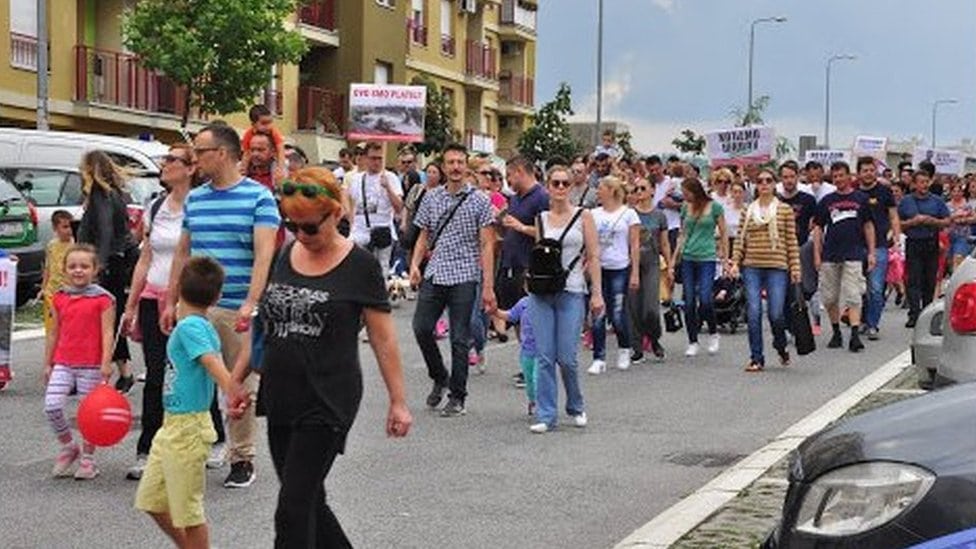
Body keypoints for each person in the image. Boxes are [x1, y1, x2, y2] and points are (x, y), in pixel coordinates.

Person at [231, 167, 411, 548]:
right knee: (310, 500)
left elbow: (383, 340)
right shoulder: (285, 253)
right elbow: (266, 323)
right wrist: (236, 379)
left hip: (328, 399)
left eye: (310, 227)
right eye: (292, 225)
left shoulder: (360, 266)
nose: (301, 235)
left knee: (291, 510)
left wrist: (398, 401)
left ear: (336, 213)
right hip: (280, 395)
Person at [162, 123, 281, 489]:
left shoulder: (259, 198)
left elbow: (264, 254)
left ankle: (241, 456)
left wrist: (251, 302)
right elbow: (183, 252)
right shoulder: (196, 199)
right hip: (193, 307)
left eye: (201, 152)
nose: (194, 160)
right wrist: (171, 300)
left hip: (235, 306)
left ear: (224, 154)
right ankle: (195, 446)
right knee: (188, 379)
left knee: (238, 381)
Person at [122, 144, 227, 480]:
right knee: (156, 373)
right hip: (154, 297)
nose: (165, 164)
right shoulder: (156, 206)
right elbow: (145, 257)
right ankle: (147, 448)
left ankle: (215, 437)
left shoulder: (200, 206)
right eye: (165, 159)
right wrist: (131, 304)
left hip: (190, 298)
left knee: (194, 367)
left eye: (172, 159)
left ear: (191, 168)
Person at [135, 256, 248, 549]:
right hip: (171, 424)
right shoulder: (193, 324)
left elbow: (211, 362)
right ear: (218, 296)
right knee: (152, 500)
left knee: (189, 512)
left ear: (177, 287)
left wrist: (231, 391)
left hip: (188, 427)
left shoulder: (192, 328)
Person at [409, 143, 497, 418]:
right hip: (436, 272)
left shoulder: (480, 200)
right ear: (444, 167)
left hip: (464, 275)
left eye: (460, 162)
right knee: (421, 328)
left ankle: (457, 396)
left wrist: (488, 286)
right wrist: (414, 264)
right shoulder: (432, 198)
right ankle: (439, 375)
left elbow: (486, 244)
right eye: (451, 163)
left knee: (459, 338)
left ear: (466, 166)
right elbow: (423, 234)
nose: (456, 167)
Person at [528, 166, 604, 433]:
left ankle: (576, 404)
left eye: (564, 183)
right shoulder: (541, 219)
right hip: (542, 292)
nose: (560, 188)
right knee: (545, 356)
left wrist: (597, 294)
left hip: (572, 290)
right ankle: (547, 414)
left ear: (571, 187)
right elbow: (540, 256)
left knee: (567, 357)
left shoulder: (584, 216)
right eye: (555, 183)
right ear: (547, 186)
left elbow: (593, 256)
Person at [43, 244, 114, 480]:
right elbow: (53, 332)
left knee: (88, 416)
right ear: (64, 269)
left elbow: (107, 333)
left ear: (95, 270)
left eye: (84, 266)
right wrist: (48, 362)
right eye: (72, 266)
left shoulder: (103, 299)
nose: (78, 271)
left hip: (91, 365)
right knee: (52, 406)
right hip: (63, 361)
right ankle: (68, 446)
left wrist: (106, 363)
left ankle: (88, 459)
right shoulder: (60, 297)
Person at [729, 169, 801, 372]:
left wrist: (795, 267)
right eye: (760, 181)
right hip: (752, 265)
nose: (764, 184)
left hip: (777, 266)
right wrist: (735, 262)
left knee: (776, 314)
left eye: (768, 180)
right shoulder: (748, 210)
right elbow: (740, 240)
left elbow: (791, 241)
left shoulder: (784, 210)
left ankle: (780, 345)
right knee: (753, 312)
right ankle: (756, 357)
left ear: (774, 184)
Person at [77, 150, 137, 393]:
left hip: (106, 263)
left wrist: (97, 264)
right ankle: (124, 370)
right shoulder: (118, 194)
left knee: (104, 319)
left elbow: (103, 230)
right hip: (117, 261)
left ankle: (116, 371)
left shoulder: (100, 194)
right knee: (111, 317)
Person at [811, 161, 876, 352]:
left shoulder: (861, 199)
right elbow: (817, 229)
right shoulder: (827, 201)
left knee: (853, 294)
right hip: (831, 253)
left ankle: (855, 334)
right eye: (835, 176)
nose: (838, 179)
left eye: (841, 175)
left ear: (849, 176)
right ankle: (836, 330)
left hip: (854, 252)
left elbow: (868, 226)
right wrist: (817, 254)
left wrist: (871, 252)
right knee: (830, 297)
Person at [587, 175, 640, 373]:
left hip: (619, 267)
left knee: (617, 313)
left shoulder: (629, 214)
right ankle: (599, 357)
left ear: (611, 190)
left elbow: (634, 245)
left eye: (600, 188)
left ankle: (624, 348)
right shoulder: (593, 214)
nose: (597, 192)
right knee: (598, 312)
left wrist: (634, 272)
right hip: (599, 267)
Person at [672, 177, 728, 357]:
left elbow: (724, 232)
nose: (684, 196)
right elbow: (682, 233)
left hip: (707, 256)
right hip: (688, 256)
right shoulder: (684, 208)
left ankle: (713, 332)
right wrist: (674, 259)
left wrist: (725, 258)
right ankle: (692, 340)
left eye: (686, 192)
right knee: (688, 301)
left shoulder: (714, 207)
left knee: (705, 298)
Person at [497, 156, 549, 341]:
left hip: (529, 266)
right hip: (510, 263)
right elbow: (509, 227)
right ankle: (527, 364)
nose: (507, 181)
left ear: (520, 172)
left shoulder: (542, 197)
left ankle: (537, 365)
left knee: (531, 319)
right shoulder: (515, 198)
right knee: (518, 317)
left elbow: (548, 233)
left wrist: (522, 227)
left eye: (509, 176)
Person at [899, 170, 950, 328]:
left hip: (931, 241)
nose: (924, 185)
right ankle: (914, 313)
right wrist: (912, 222)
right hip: (914, 241)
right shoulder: (906, 201)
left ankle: (927, 313)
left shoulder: (937, 201)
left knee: (929, 280)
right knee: (913, 279)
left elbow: (947, 221)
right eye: (920, 182)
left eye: (926, 181)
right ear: (914, 184)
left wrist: (932, 221)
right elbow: (897, 223)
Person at [628, 177, 672, 362]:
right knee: (634, 308)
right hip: (632, 264)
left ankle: (654, 339)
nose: (639, 192)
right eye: (636, 188)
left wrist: (670, 266)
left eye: (643, 188)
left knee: (650, 308)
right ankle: (636, 347)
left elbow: (664, 242)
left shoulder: (659, 215)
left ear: (652, 191)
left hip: (652, 263)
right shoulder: (630, 214)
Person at [857, 156, 900, 341]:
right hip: (856, 245)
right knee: (858, 288)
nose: (869, 173)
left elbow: (893, 216)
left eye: (872, 170)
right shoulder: (853, 193)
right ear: (859, 173)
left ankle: (873, 324)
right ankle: (860, 320)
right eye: (865, 170)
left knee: (875, 287)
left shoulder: (884, 192)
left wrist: (896, 237)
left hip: (881, 245)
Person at [348, 142, 404, 277]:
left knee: (380, 271)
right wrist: (351, 224)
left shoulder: (390, 177)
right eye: (373, 158)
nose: (377, 162)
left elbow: (399, 207)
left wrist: (388, 188)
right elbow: (351, 204)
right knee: (357, 270)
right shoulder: (356, 179)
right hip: (359, 232)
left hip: (382, 231)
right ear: (365, 158)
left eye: (380, 158)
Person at [491, 292, 537, 415]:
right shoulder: (524, 303)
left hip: (543, 351)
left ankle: (543, 403)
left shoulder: (548, 304)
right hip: (527, 350)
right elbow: (510, 315)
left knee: (539, 378)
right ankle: (532, 400)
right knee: (530, 379)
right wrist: (495, 311)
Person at [39, 210, 74, 335]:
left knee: (67, 326)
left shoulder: (75, 245)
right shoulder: (51, 245)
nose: (69, 230)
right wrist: (43, 288)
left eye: (71, 226)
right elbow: (48, 268)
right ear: (55, 228)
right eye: (64, 227)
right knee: (52, 328)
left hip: (68, 291)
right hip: (51, 292)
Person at [241, 104, 287, 180]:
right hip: (253, 161)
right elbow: (246, 153)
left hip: (274, 159)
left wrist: (280, 168)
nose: (268, 126)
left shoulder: (274, 132)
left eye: (270, 122)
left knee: (280, 170)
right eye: (264, 123)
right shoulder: (248, 134)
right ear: (253, 125)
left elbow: (280, 150)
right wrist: (243, 168)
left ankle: (275, 186)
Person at [946, 180, 975, 270]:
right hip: (948, 235)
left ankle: (956, 279)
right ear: (950, 193)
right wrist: (955, 216)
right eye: (954, 191)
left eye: (959, 191)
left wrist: (964, 220)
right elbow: (944, 219)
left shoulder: (967, 205)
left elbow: (974, 218)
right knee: (949, 261)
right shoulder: (946, 205)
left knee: (958, 260)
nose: (956, 193)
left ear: (962, 193)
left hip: (962, 236)